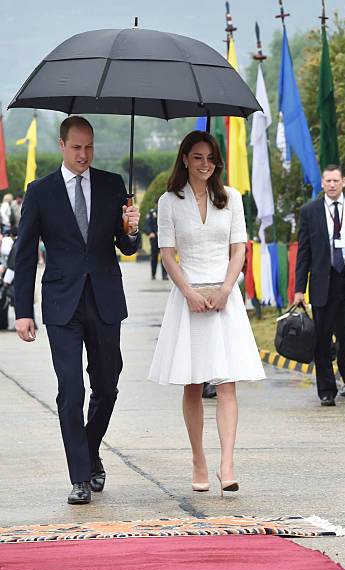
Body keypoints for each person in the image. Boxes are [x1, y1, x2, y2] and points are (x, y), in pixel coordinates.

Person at [14, 116, 141, 505]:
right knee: (71, 390)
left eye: (89, 147)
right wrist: (23, 309)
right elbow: (23, 254)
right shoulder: (40, 192)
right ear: (61, 145)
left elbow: (127, 246)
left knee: (107, 385)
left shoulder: (113, 185)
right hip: (61, 304)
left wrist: (132, 229)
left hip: (104, 300)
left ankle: (88, 448)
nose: (83, 154)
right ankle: (80, 476)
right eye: (76, 147)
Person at [148, 131, 264, 495]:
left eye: (210, 157)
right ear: (185, 158)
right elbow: (168, 254)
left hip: (224, 295)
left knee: (227, 383)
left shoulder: (231, 198)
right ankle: (198, 459)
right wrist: (188, 292)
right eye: (197, 157)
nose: (204, 164)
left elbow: (239, 250)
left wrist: (228, 289)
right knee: (192, 382)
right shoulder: (169, 201)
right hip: (188, 296)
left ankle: (226, 463)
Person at [294, 165, 345, 406]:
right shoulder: (309, 211)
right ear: (323, 184)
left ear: (344, 182)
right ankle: (326, 390)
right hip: (322, 282)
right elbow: (303, 253)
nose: (332, 185)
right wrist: (298, 289)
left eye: (336, 180)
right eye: (328, 181)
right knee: (323, 339)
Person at [143, 206, 168, 280]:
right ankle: (153, 274)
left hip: (163, 238)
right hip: (154, 238)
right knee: (154, 257)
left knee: (165, 257)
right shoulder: (151, 213)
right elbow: (146, 225)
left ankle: (164, 275)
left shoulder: (166, 212)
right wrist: (150, 233)